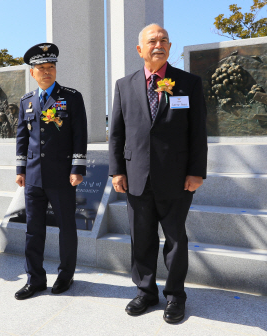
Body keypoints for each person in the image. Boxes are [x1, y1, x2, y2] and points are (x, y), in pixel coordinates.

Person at [108, 24, 208, 323]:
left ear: (170, 46)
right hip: (136, 175)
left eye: (164, 40)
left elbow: (197, 132)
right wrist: (116, 171)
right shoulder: (124, 85)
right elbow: (116, 133)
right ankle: (145, 291)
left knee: (176, 239)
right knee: (141, 238)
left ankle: (175, 295)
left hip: (177, 178)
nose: (158, 44)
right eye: (152, 41)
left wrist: (196, 172)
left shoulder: (187, 83)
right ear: (140, 49)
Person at [14, 43, 87, 300]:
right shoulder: (27, 101)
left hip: (62, 175)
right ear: (32, 73)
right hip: (33, 177)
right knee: (33, 229)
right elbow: (22, 138)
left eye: (51, 67)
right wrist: (20, 169)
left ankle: (66, 275)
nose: (47, 72)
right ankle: (34, 279)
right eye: (42, 68)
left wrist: (78, 168)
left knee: (67, 228)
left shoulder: (71, 97)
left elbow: (80, 135)